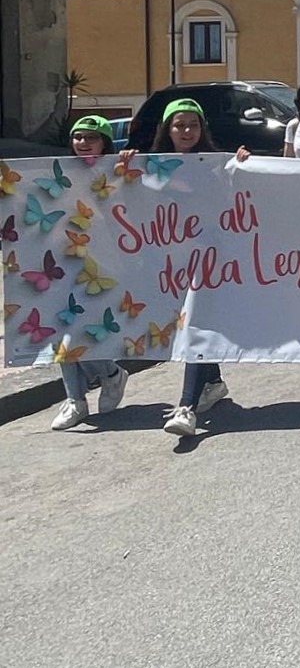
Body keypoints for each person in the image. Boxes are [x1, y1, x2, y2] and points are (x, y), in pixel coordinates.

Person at [129, 100, 230, 438]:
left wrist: (241, 165)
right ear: (167, 130)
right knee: (186, 323)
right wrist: (121, 168)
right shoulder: (150, 166)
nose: (187, 131)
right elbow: (131, 199)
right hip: (168, 262)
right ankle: (213, 382)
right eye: (179, 125)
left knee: (194, 325)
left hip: (206, 260)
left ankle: (186, 407)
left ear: (202, 130)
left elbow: (234, 198)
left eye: (193, 125)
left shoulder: (216, 165)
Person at [48, 116, 133, 431]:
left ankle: (111, 374)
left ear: (105, 143)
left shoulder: (117, 171)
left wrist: (129, 164)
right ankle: (77, 400)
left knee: (82, 334)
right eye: (78, 137)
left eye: (91, 138)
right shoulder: (60, 174)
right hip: (64, 262)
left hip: (105, 266)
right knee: (61, 331)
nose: (83, 143)